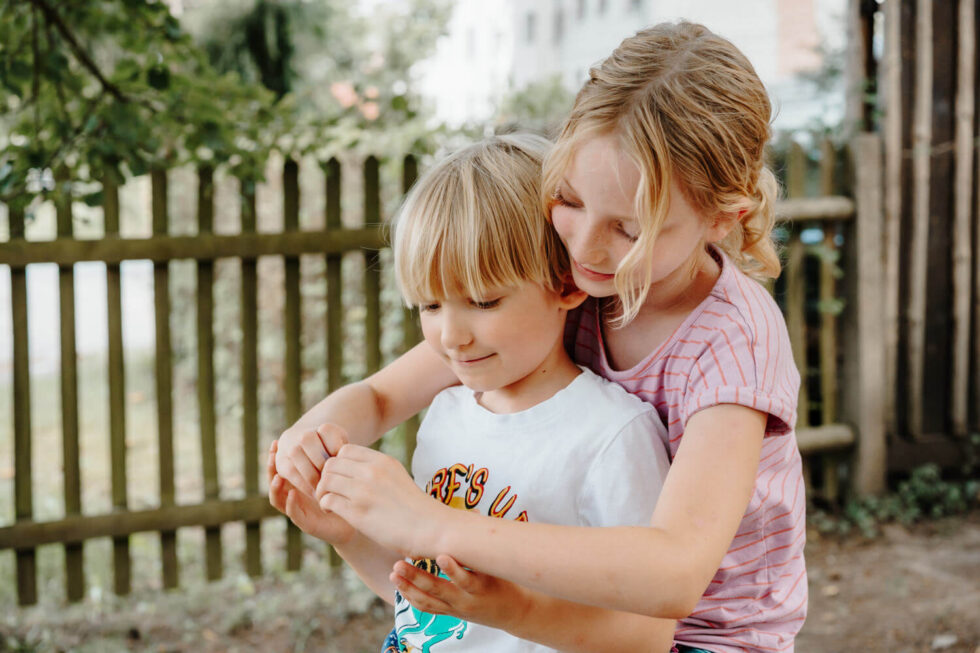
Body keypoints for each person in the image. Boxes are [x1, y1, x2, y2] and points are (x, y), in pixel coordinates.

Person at [278, 21, 805, 653]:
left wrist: (433, 525)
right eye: (569, 199)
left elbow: (675, 574)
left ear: (722, 219)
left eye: (629, 229)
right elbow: (384, 397)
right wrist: (314, 441)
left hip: (708, 639)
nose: (581, 246)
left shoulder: (732, 341)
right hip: (572, 612)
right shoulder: (575, 279)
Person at [270, 133, 675, 652]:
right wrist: (345, 535)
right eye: (431, 306)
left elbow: (648, 638)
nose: (451, 336)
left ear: (566, 285)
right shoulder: (447, 414)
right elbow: (433, 619)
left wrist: (513, 608)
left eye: (483, 302)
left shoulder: (612, 437)